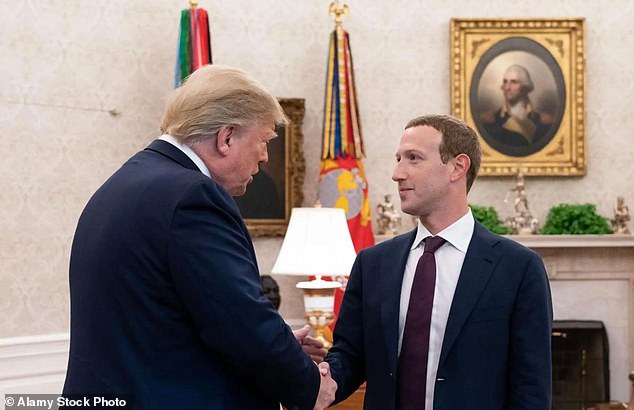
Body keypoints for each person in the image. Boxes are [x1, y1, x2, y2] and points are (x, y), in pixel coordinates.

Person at [62, 65, 336, 410]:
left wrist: (281, 346)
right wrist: (310, 385)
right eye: (264, 141)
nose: (265, 157)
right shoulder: (193, 196)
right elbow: (242, 323)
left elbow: (175, 317)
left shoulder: (125, 182)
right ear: (227, 137)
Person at [325, 114, 553, 409]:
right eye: (398, 159)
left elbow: (531, 389)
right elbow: (350, 356)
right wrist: (317, 378)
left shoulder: (518, 268)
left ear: (458, 167)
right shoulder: (373, 263)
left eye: (413, 158)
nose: (397, 173)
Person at [482, 64, 553, 148]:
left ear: (524, 87)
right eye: (505, 81)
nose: (507, 87)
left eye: (513, 82)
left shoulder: (542, 121)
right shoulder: (492, 121)